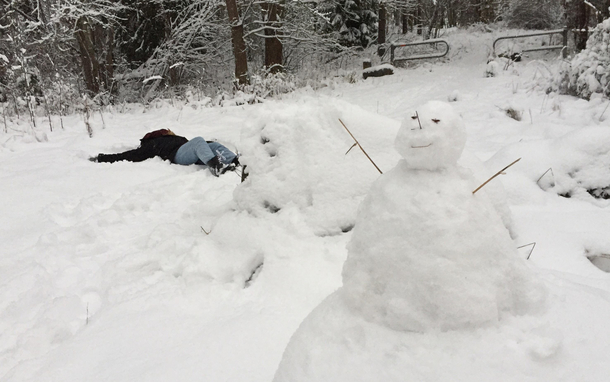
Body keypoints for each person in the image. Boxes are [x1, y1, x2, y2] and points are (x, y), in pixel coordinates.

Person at [89, 129, 239, 177]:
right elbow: (129, 155)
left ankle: (236, 162)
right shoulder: (153, 144)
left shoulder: (175, 138)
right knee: (199, 141)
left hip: (190, 152)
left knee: (213, 144)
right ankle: (216, 168)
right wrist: (103, 158)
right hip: (178, 156)